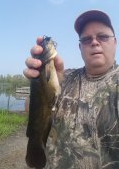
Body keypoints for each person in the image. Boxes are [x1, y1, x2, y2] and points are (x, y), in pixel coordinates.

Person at [23, 10, 119, 169]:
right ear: (80, 47)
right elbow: (31, 111)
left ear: (115, 42)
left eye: (102, 36)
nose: (94, 42)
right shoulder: (64, 77)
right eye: (87, 39)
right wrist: (37, 82)